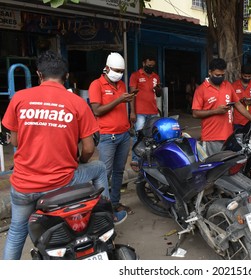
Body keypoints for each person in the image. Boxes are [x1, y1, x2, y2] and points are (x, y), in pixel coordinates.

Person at [2, 51, 127, 260]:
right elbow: (88, 148)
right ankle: (106, 215)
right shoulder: (76, 102)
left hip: (23, 185)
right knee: (98, 168)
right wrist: (79, 162)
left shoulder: (20, 98)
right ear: (66, 76)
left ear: (39, 75)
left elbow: (14, 141)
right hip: (60, 182)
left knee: (16, 231)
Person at [89, 52, 134, 214]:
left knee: (118, 171)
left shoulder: (121, 84)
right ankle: (100, 209)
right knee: (105, 173)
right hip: (107, 136)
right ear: (107, 68)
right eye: (116, 70)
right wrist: (119, 100)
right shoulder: (96, 85)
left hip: (123, 134)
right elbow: (97, 110)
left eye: (121, 71)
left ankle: (114, 203)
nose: (119, 74)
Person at [192, 58, 251, 156]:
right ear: (210, 72)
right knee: (214, 169)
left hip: (228, 136)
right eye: (217, 75)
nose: (220, 77)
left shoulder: (228, 86)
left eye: (222, 75)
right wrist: (216, 111)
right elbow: (195, 113)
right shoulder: (201, 90)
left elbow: (238, 104)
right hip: (211, 138)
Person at [129, 55, 162, 171]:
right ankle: (135, 159)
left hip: (153, 111)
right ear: (144, 63)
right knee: (139, 136)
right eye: (149, 65)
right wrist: (132, 112)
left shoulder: (156, 76)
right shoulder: (135, 76)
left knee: (152, 136)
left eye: (153, 66)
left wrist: (158, 89)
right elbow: (132, 95)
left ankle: (150, 158)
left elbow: (158, 94)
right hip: (140, 112)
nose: (150, 67)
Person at [232, 63, 251, 130]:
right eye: (245, 76)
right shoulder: (234, 86)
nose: (247, 78)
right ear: (241, 74)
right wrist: (240, 102)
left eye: (249, 76)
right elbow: (231, 103)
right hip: (238, 121)